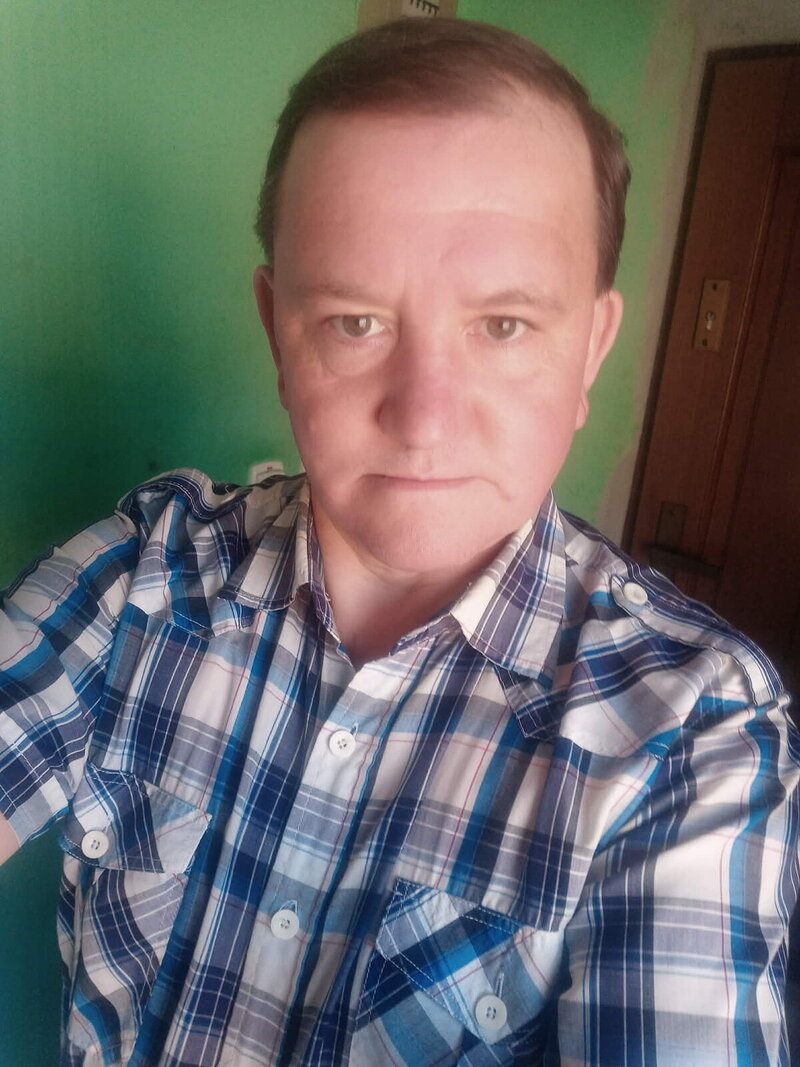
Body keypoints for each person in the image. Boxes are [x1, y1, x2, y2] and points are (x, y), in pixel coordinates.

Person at [0, 16, 797, 1066]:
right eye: (355, 322)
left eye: (503, 325)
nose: (424, 417)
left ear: (591, 347)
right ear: (276, 328)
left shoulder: (691, 732)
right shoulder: (141, 574)